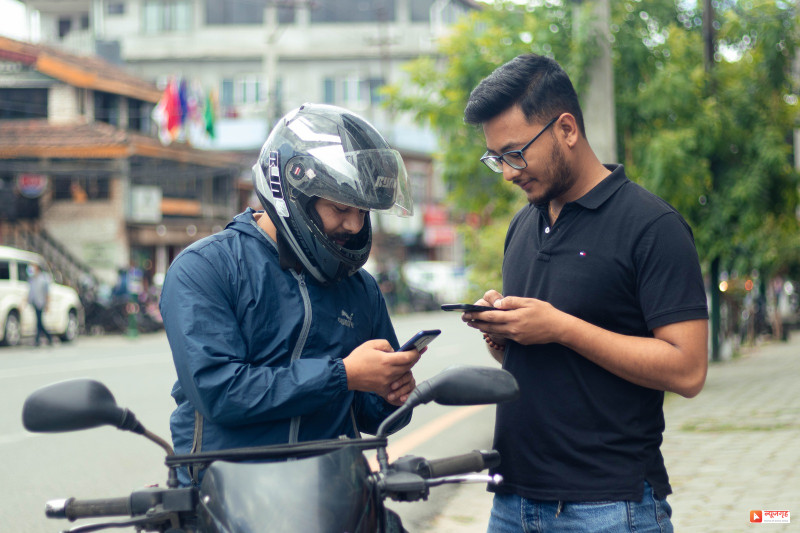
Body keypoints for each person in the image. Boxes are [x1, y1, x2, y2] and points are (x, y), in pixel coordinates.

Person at [460, 54, 709, 532]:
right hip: (512, 500)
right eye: (496, 159)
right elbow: (558, 368)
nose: (509, 172)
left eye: (515, 153)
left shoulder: (652, 226)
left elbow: (689, 369)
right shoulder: (523, 225)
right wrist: (506, 340)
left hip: (608, 507)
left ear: (567, 129)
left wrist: (562, 328)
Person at [160, 104, 421, 486]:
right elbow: (221, 392)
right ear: (293, 193)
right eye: (340, 208)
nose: (354, 224)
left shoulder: (359, 287)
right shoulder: (206, 268)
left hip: (330, 496)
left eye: (363, 212)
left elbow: (372, 416)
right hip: (226, 498)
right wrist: (344, 374)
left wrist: (391, 392)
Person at [27, 263, 53, 347]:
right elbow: (30, 292)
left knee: (39, 323)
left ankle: (40, 339)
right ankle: (46, 338)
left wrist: (47, 304)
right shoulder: (32, 279)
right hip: (34, 303)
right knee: (39, 322)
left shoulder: (43, 279)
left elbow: (47, 293)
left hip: (41, 303)